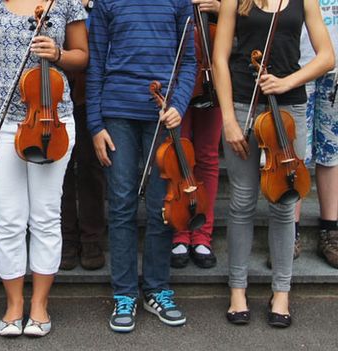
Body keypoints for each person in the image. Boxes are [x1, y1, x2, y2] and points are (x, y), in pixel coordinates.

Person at [0, 0, 88, 337]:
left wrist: (59, 54)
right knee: (8, 217)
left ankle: (39, 303)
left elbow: (82, 55)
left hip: (54, 120)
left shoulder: (65, 3)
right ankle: (14, 304)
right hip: (0, 119)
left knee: (46, 215)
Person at [213, 0, 333, 327]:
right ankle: (237, 289)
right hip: (241, 104)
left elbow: (326, 56)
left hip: (288, 109)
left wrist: (287, 82)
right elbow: (220, 59)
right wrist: (227, 119)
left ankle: (281, 291)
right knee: (241, 202)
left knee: (284, 202)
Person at [88, 0, 196, 332]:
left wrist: (178, 104)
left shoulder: (180, 2)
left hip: (162, 115)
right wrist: (95, 124)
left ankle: (157, 288)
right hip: (117, 113)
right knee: (121, 203)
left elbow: (188, 62)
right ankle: (124, 293)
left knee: (163, 205)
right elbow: (94, 65)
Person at [171, 0, 221, 269]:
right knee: (179, 156)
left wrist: (220, 9)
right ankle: (180, 230)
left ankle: (202, 233)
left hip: (213, 70)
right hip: (175, 72)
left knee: (207, 156)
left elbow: (248, 14)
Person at [59, 0, 106, 272]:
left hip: (91, 91)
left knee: (91, 167)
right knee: (60, 168)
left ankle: (92, 238)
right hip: (54, 89)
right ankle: (66, 238)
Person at [296, 2, 338, 268]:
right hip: (298, 64)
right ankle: (290, 230)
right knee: (296, 152)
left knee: (331, 151)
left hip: (334, 69)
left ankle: (331, 229)